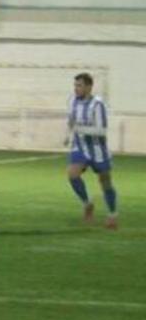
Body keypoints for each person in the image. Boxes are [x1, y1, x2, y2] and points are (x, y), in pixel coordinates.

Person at [66, 72, 118, 230]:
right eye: (75, 85)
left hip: (98, 149)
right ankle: (88, 203)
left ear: (89, 86)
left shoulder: (98, 104)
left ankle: (112, 214)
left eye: (79, 85)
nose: (76, 88)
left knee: (105, 181)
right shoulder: (72, 101)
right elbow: (71, 121)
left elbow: (101, 131)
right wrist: (67, 135)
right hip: (80, 146)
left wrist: (78, 128)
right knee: (72, 174)